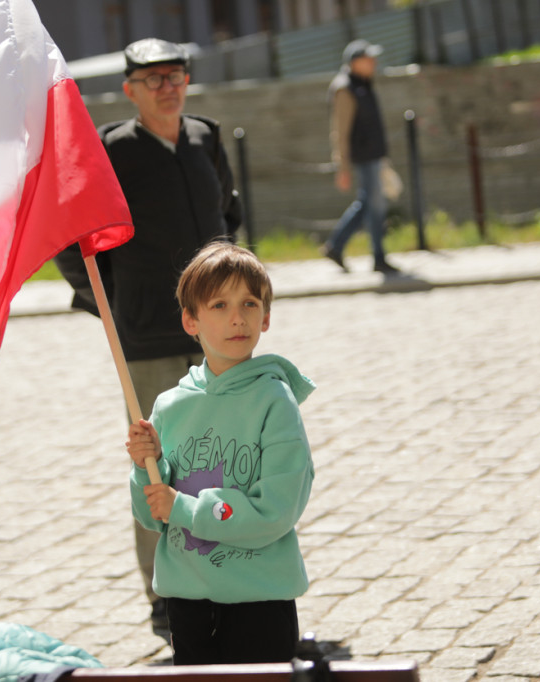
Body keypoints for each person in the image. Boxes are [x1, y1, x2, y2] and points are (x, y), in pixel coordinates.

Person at [53, 37, 242, 638]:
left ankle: (231, 577)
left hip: (219, 335)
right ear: (130, 89)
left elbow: (228, 218)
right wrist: (109, 304)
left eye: (176, 74)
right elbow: (69, 238)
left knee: (232, 458)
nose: (167, 86)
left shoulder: (206, 138)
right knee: (158, 464)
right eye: (153, 78)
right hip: (150, 336)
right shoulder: (111, 151)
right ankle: (167, 594)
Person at [126, 242, 315, 665]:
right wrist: (145, 469)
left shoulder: (274, 401)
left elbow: (278, 510)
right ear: (190, 320)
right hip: (187, 601)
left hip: (258, 599)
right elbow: (151, 514)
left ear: (266, 317)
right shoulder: (170, 406)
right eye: (219, 305)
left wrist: (186, 509)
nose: (237, 317)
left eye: (250, 303)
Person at [320, 39, 400, 275]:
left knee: (370, 205)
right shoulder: (345, 89)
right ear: (355, 62)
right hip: (363, 157)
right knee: (373, 206)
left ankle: (337, 246)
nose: (374, 62)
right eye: (369, 58)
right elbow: (340, 132)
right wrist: (342, 167)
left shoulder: (363, 83)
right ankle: (377, 257)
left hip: (373, 155)